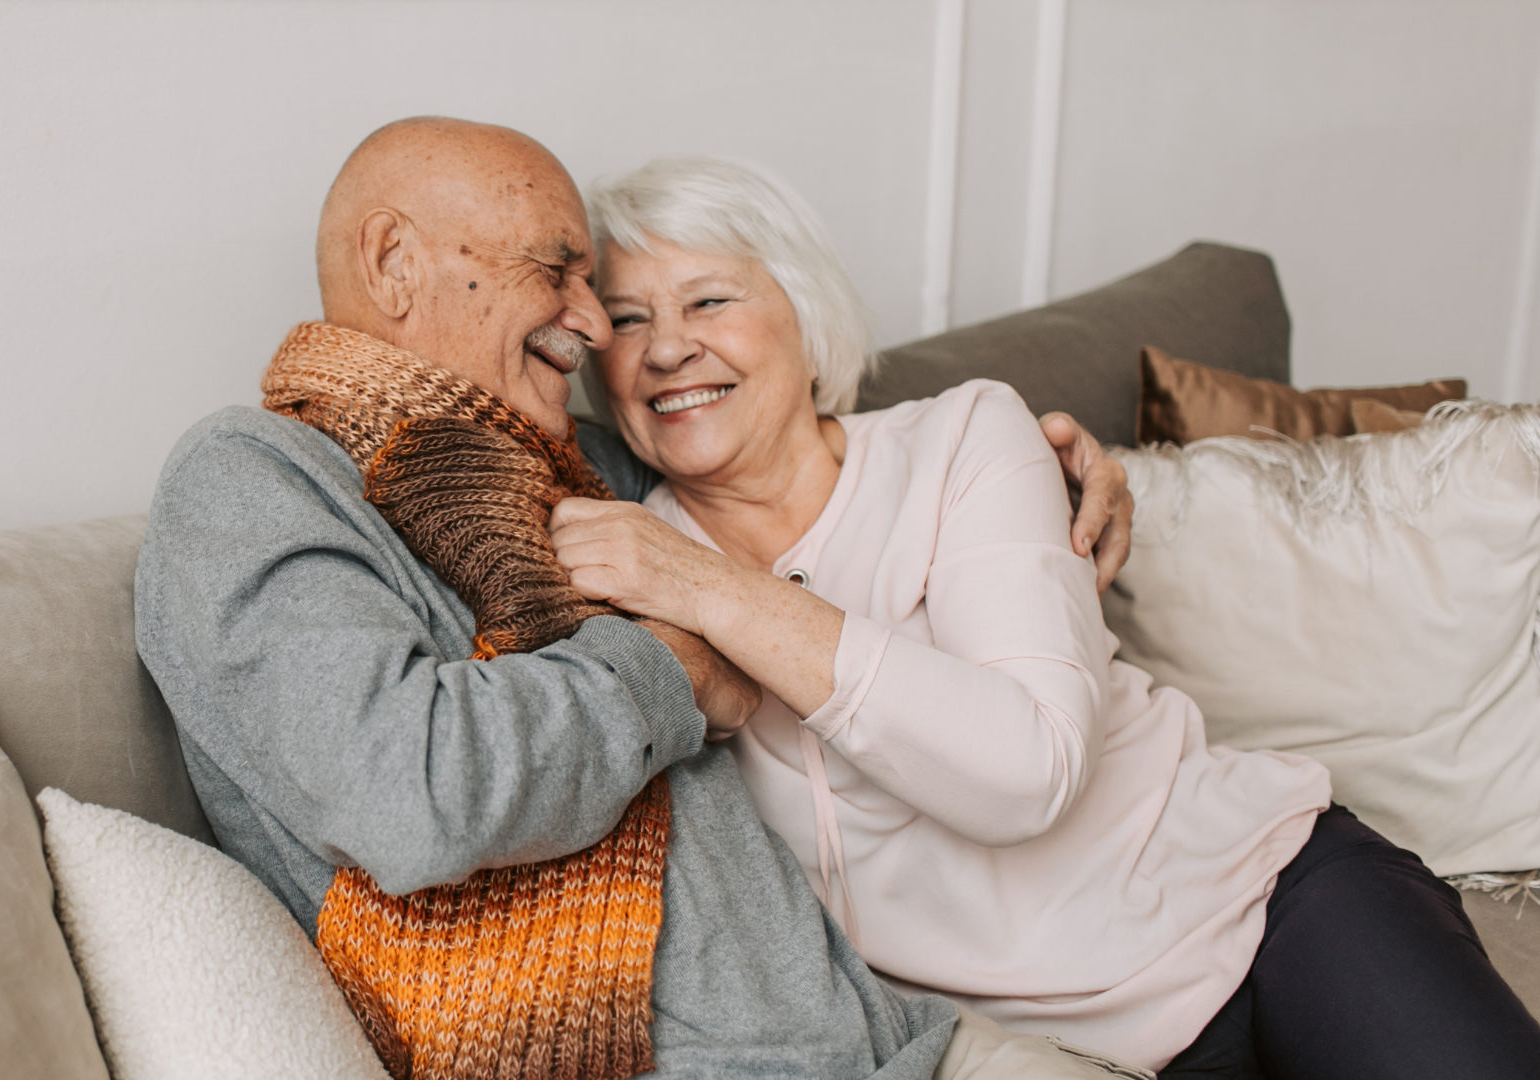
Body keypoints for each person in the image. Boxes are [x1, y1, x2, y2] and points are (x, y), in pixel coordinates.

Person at [136, 117, 1142, 1080]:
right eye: (559, 271)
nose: (589, 322)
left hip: (889, 1036)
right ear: (395, 262)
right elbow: (410, 793)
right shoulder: (250, 480)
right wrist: (674, 667)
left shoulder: (577, 463)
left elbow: (777, 440)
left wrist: (1047, 466)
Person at [549, 155, 1540, 1079]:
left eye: (709, 299)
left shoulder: (965, 439)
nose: (669, 347)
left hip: (1265, 903)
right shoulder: (620, 552)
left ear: (805, 319)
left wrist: (715, 591)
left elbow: (1028, 773)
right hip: (1039, 1048)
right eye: (627, 321)